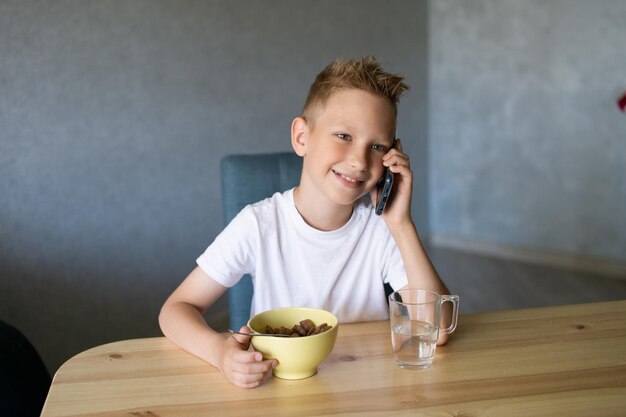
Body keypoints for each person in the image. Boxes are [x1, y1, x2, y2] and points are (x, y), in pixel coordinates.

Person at [159, 56, 452, 388]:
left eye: (376, 146)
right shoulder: (258, 225)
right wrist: (219, 353)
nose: (358, 161)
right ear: (301, 137)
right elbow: (175, 310)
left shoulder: (383, 229)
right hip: (280, 390)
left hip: (364, 391)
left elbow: (438, 330)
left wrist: (401, 224)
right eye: (344, 135)